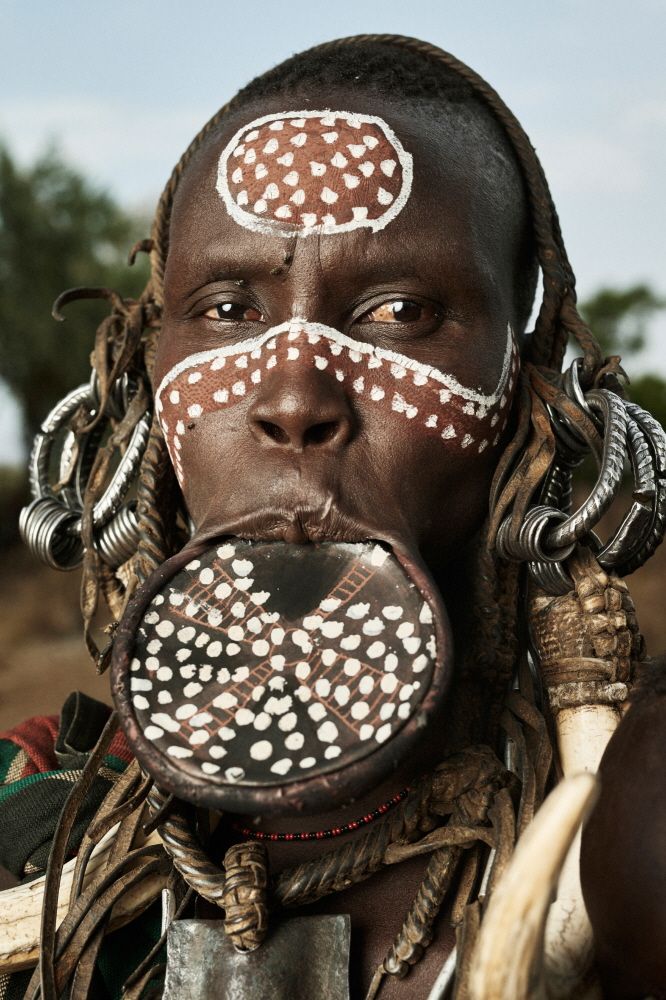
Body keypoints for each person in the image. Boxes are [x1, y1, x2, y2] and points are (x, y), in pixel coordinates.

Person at [3, 34, 665, 1000]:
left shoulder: (632, 815)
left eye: (399, 311)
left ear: (533, 401)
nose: (296, 394)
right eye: (228, 310)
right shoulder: (28, 812)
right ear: (142, 390)